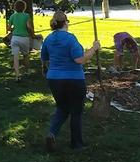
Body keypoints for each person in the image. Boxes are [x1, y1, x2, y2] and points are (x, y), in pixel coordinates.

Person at [41, 11, 100, 152]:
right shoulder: (70, 38)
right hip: (73, 78)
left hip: (54, 79)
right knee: (76, 111)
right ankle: (77, 144)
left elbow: (44, 58)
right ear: (66, 22)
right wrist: (94, 48)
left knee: (62, 107)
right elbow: (79, 59)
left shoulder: (48, 39)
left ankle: (51, 133)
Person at [6, 0, 35, 81]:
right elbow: (28, 27)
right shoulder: (26, 16)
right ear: (24, 7)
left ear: (15, 7)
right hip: (24, 38)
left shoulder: (12, 16)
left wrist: (13, 28)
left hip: (15, 38)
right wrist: (32, 34)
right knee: (25, 55)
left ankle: (17, 75)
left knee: (15, 57)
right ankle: (28, 70)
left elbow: (8, 28)